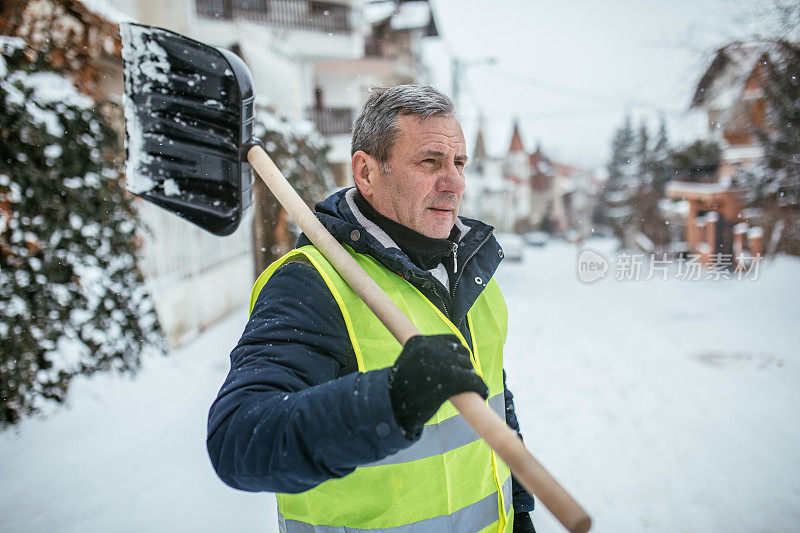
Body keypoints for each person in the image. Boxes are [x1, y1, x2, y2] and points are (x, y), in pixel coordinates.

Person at [207, 85, 536, 532]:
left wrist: (518, 509)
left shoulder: (471, 268)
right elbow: (238, 439)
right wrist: (391, 401)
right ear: (366, 172)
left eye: (459, 163)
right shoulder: (313, 285)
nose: (455, 181)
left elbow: (494, 401)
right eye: (430, 161)